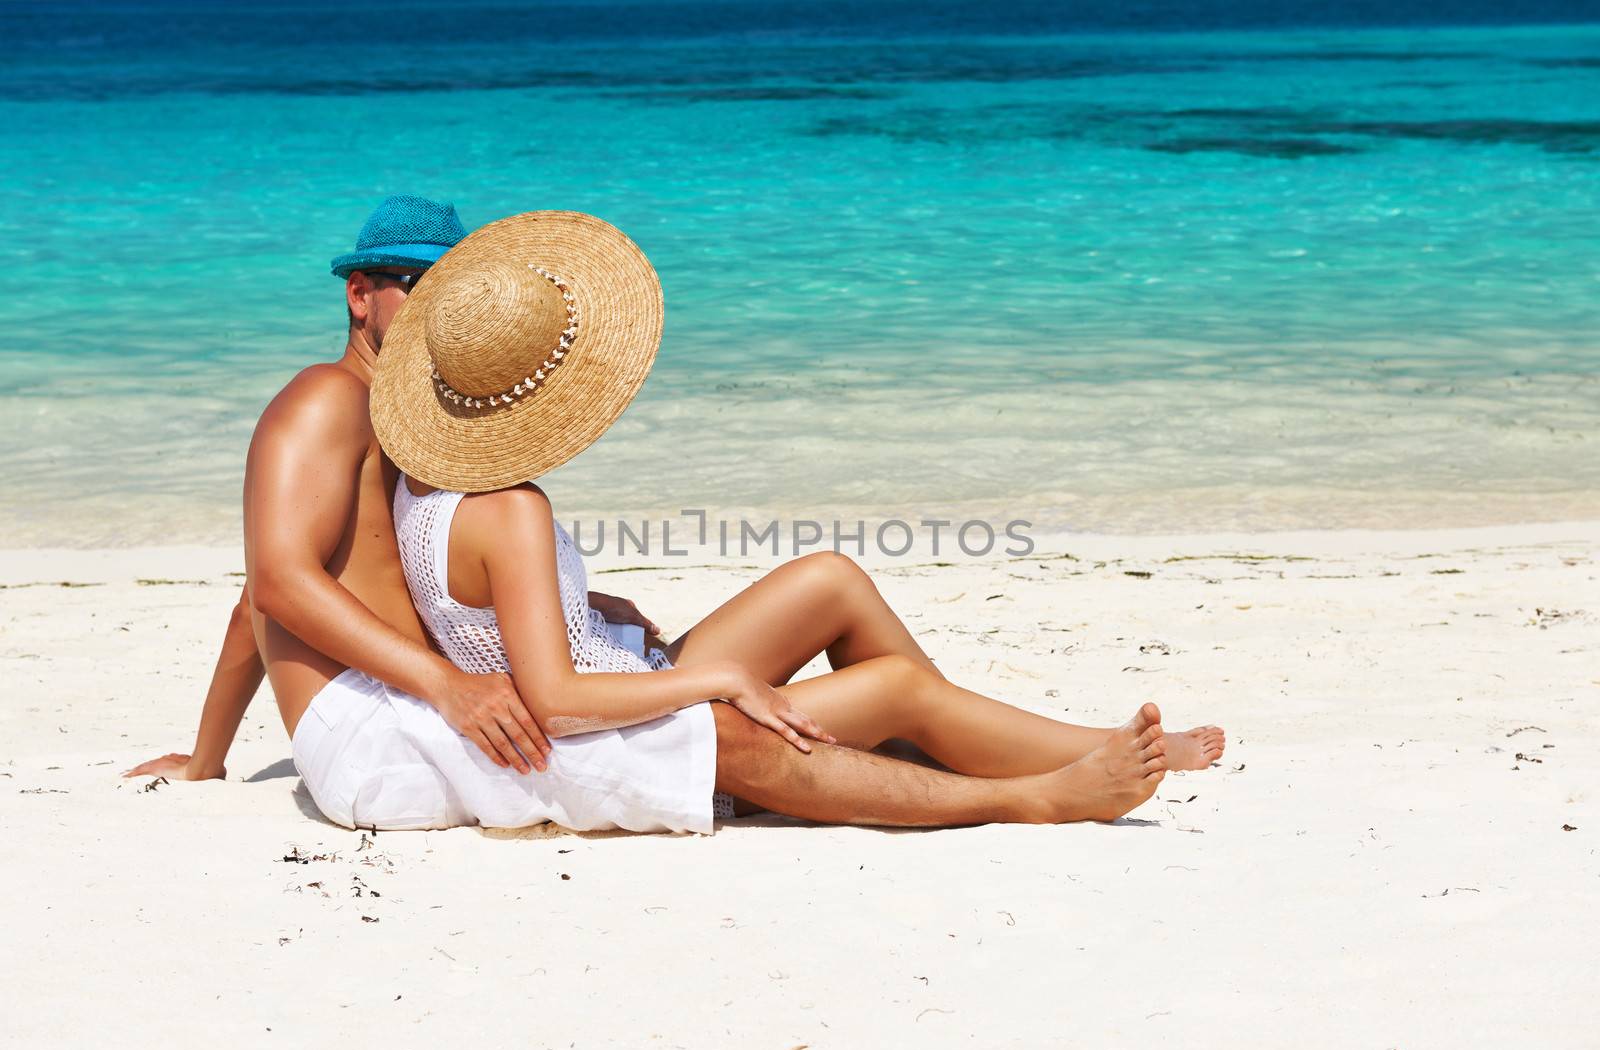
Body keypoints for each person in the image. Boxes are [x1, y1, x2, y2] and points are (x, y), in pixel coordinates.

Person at [127, 199, 1223, 830]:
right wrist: (448, 682)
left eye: (448, 287)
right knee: (804, 704)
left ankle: (973, 746)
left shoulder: (420, 432)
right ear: (360, 292)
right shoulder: (327, 401)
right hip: (421, 710)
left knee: (831, 578)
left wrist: (572, 602)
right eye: (410, 285)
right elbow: (274, 587)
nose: (432, 307)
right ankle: (1019, 781)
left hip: (520, 667)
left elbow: (300, 593)